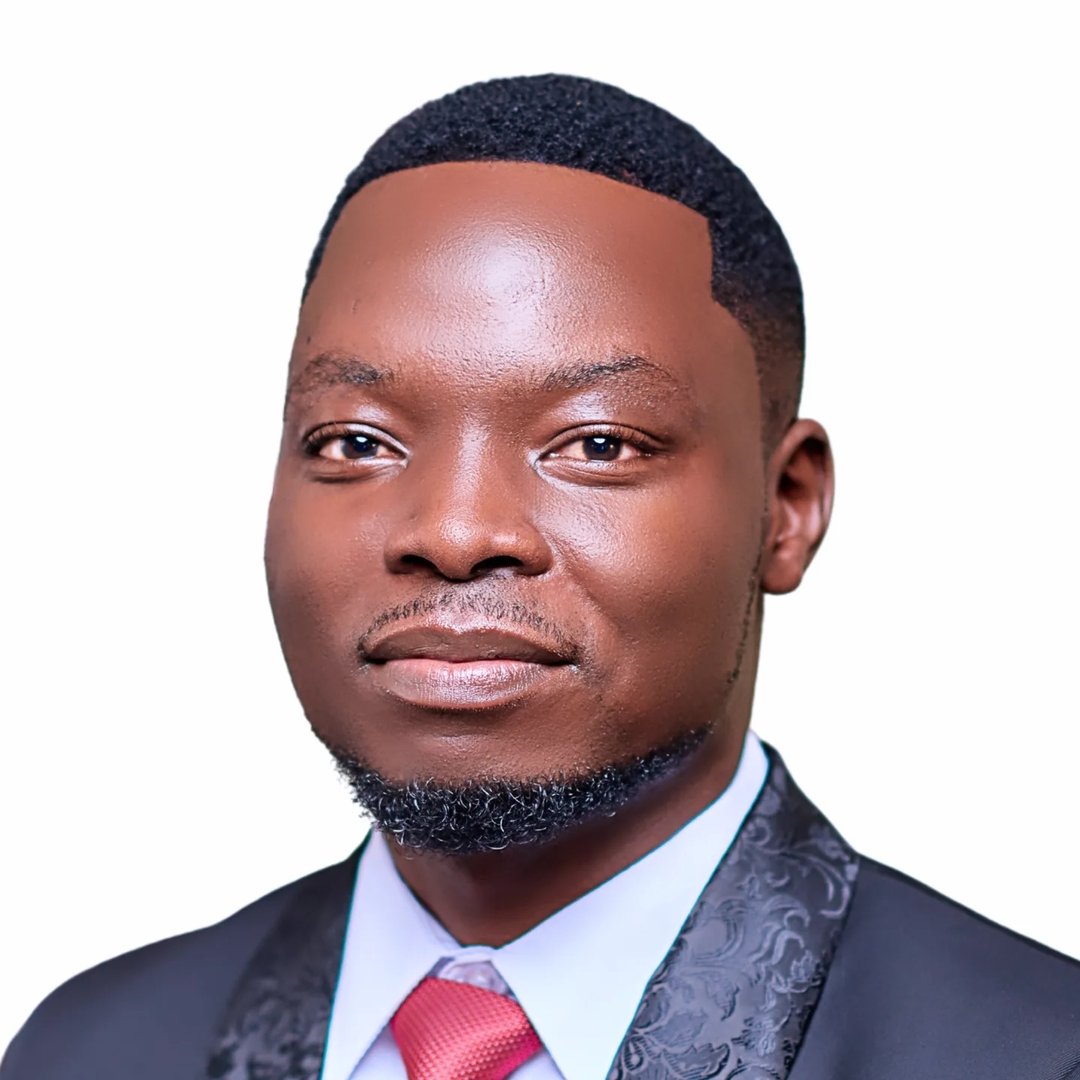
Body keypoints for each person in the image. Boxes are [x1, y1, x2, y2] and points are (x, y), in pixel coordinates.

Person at [3, 73, 1078, 1080]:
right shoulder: (87, 1051)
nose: (454, 531)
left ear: (785, 507)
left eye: (598, 444)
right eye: (356, 441)